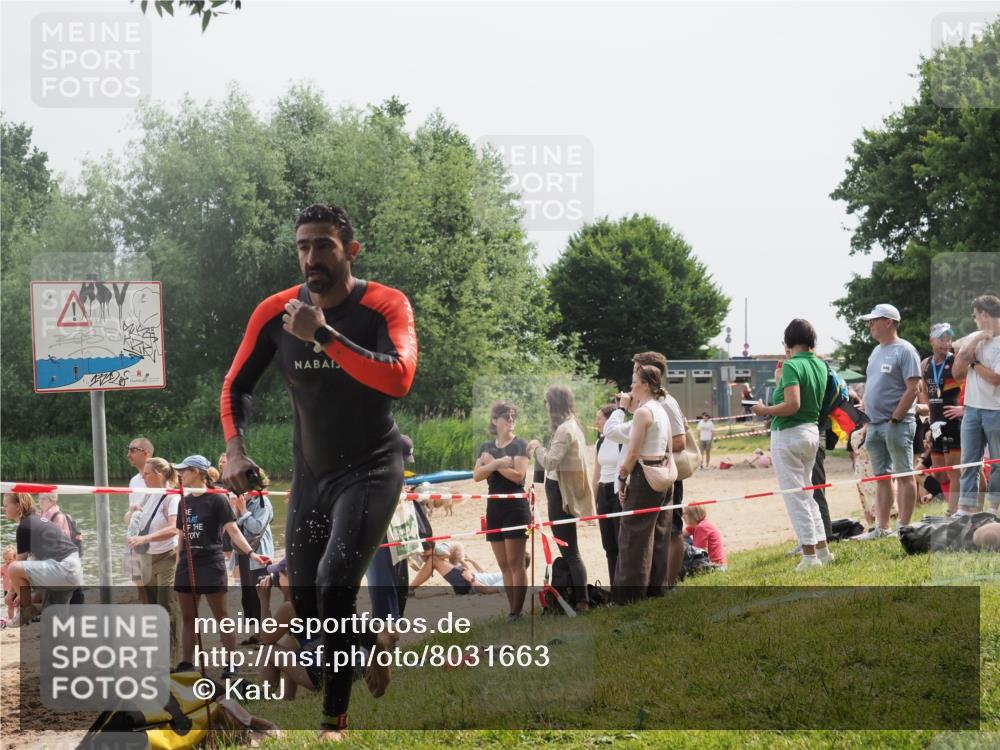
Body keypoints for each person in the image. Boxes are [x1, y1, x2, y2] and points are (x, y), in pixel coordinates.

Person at [220, 202, 417, 739]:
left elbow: (399, 378)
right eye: (303, 246)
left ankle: (335, 723)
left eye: (324, 246)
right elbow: (235, 385)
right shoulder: (275, 311)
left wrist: (324, 335)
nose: (311, 257)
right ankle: (371, 643)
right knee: (305, 603)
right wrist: (235, 451)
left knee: (335, 584)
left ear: (350, 251)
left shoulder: (383, 305)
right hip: (311, 477)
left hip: (373, 468)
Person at [173, 455, 269, 677]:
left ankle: (231, 663)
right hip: (188, 565)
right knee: (189, 618)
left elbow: (233, 530)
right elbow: (181, 537)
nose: (180, 475)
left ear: (197, 472)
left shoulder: (217, 499)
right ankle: (187, 663)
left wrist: (252, 553)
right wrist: (180, 564)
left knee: (222, 618)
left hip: (211, 563)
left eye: (184, 470)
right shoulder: (183, 501)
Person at [752, 319, 833, 570]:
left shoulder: (791, 366)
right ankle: (822, 550)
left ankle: (809, 556)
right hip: (811, 432)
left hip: (789, 434)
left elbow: (792, 405)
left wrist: (765, 409)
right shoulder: (820, 364)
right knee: (808, 494)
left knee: (795, 498)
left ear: (788, 342)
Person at [851, 303, 922, 538]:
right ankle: (882, 527)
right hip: (874, 424)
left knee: (904, 474)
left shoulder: (905, 350)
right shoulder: (876, 351)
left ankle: (904, 526)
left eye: (874, 320)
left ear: (889, 322)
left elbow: (913, 388)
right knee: (882, 477)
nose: (870, 325)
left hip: (897, 423)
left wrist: (895, 418)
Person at [604, 365, 672, 603]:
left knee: (632, 537)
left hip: (644, 476)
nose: (631, 387)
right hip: (662, 473)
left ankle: (627, 597)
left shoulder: (644, 413)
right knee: (656, 534)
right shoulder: (660, 409)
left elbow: (632, 453)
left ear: (645, 384)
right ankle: (655, 589)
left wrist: (622, 479)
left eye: (634, 382)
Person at [527, 386, 595, 612]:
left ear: (553, 405)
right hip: (561, 492)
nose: (545, 407)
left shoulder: (565, 430)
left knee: (570, 552)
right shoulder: (571, 426)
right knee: (570, 550)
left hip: (561, 495)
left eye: (547, 403)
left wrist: (536, 448)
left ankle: (582, 601)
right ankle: (578, 597)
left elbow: (550, 462)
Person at [473, 402, 530, 621]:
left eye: (513, 416)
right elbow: (477, 475)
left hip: (516, 507)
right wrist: (496, 462)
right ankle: (512, 610)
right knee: (503, 563)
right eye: (507, 416)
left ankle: (517, 611)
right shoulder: (487, 446)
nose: (511, 420)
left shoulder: (520, 445)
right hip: (494, 508)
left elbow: (518, 476)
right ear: (495, 420)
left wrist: (494, 465)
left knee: (516, 563)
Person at [128, 458, 181, 662]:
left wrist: (145, 538)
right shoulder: (149, 495)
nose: (143, 477)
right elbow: (136, 519)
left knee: (166, 606)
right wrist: (132, 520)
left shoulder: (171, 497)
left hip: (167, 556)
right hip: (146, 556)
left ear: (159, 474)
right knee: (151, 606)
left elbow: (174, 527)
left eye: (147, 474)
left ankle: (172, 657)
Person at [2, 493, 84, 626]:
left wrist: (11, 593)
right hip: (73, 570)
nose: (3, 508)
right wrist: (23, 595)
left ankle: (26, 611)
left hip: (64, 568)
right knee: (51, 618)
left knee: (13, 567)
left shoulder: (24, 527)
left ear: (17, 506)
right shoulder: (38, 520)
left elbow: (18, 565)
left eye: (5, 505)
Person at [953, 294, 1000, 516]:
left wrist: (974, 363)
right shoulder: (976, 336)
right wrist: (977, 338)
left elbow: (995, 378)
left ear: (983, 314)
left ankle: (992, 507)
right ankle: (965, 508)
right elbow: (956, 369)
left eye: (975, 316)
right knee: (969, 461)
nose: (974, 320)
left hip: (996, 410)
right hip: (971, 408)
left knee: (997, 461)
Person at [233, 486, 274, 643]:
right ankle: (258, 634)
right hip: (245, 554)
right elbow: (234, 527)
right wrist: (238, 510)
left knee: (261, 596)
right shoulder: (244, 501)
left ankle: (267, 636)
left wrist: (243, 511)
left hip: (260, 554)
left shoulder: (263, 503)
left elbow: (256, 527)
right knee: (249, 596)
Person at [593, 404, 622, 585]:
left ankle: (625, 586)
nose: (597, 422)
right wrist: (593, 500)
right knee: (608, 545)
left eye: (600, 418)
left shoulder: (622, 440)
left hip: (617, 490)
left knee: (620, 543)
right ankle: (614, 588)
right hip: (603, 492)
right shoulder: (600, 442)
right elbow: (596, 474)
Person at [124, 436, 154, 602]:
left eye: (132, 450)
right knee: (137, 578)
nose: (128, 454)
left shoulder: (163, 474)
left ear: (146, 453)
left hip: (155, 536)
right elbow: (130, 515)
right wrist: (129, 515)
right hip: (135, 535)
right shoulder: (133, 481)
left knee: (155, 582)